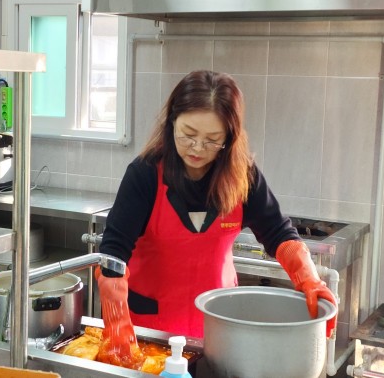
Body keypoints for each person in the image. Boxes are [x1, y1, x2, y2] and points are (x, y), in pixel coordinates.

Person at [95, 70, 337, 361]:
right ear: (172, 122)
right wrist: (116, 321)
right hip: (147, 335)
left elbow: (278, 232)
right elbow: (113, 253)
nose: (197, 148)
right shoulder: (144, 175)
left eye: (212, 139)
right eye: (188, 134)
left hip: (218, 333)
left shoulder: (242, 176)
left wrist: (308, 278)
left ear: (229, 138)